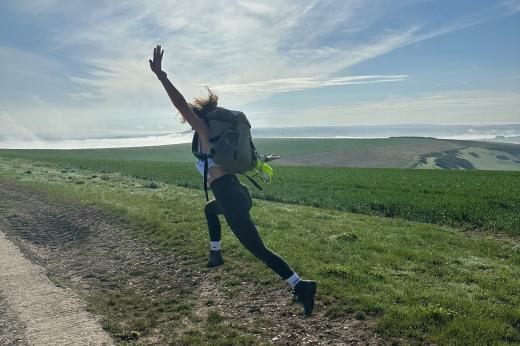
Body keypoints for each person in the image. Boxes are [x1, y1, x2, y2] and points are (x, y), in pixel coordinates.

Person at [149, 45, 316, 316]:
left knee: (259, 250)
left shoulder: (205, 132)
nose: (185, 117)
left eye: (190, 116)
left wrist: (162, 77)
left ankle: (301, 285)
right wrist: (266, 160)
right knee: (209, 209)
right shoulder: (220, 139)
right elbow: (246, 159)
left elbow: (180, 104)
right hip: (236, 194)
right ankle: (215, 255)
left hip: (230, 196)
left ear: (199, 117)